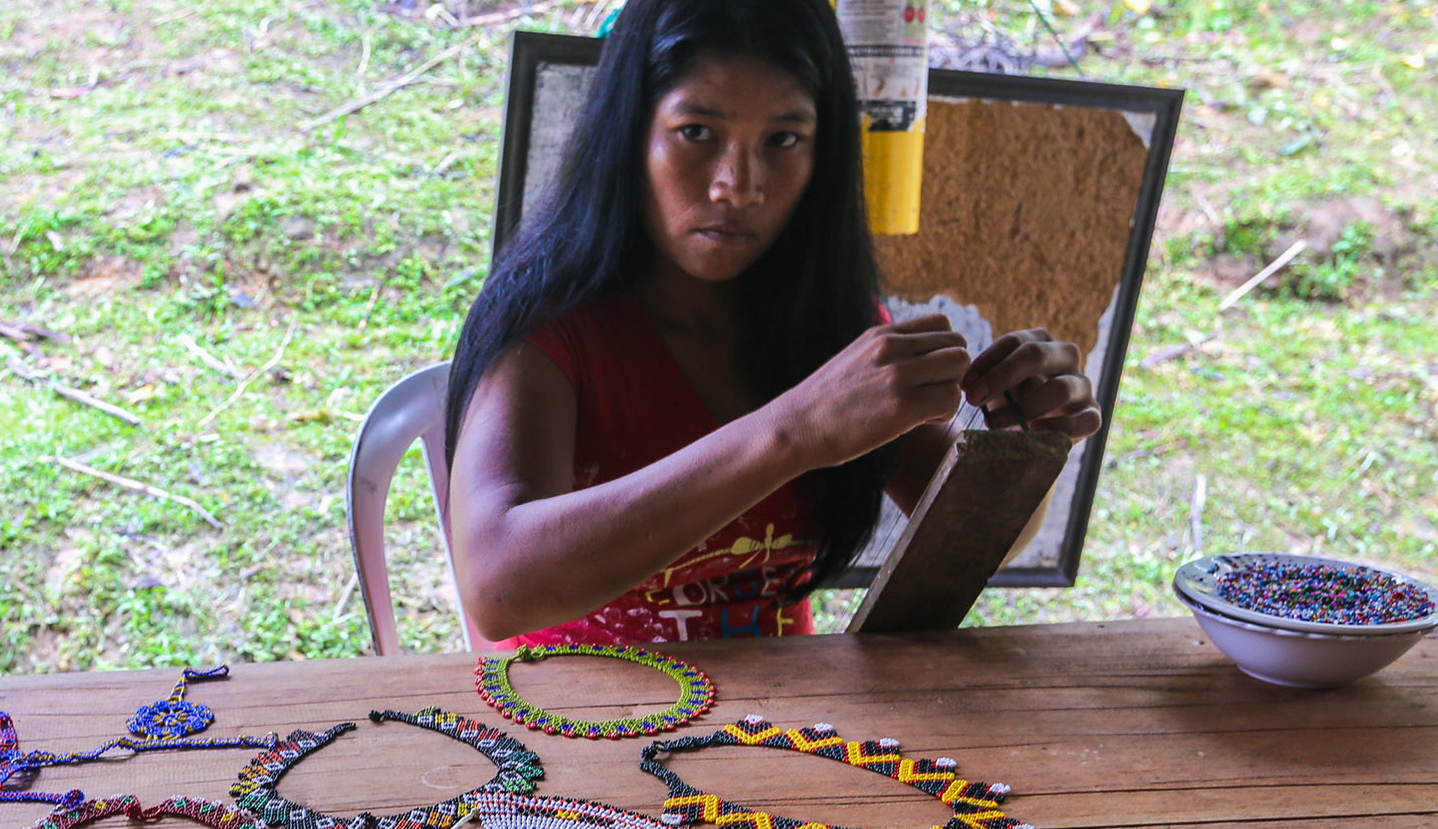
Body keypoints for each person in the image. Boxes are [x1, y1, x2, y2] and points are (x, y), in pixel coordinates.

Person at [442, 0, 1102, 647]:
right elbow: (500, 590)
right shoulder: (551, 329)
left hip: (770, 726)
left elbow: (982, 533)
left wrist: (1018, 445)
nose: (738, 184)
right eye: (696, 132)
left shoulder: (825, 323)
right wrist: (790, 433)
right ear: (629, 134)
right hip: (569, 725)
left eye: (783, 140)